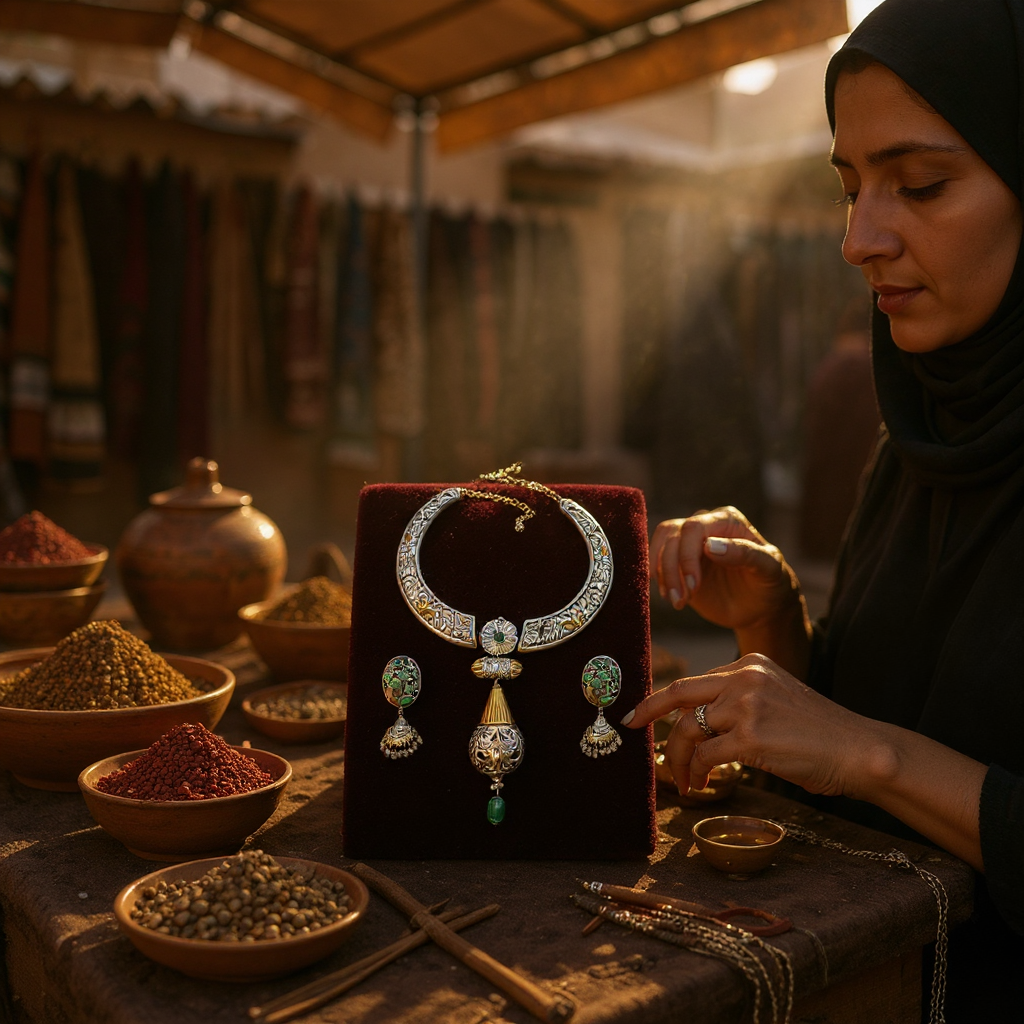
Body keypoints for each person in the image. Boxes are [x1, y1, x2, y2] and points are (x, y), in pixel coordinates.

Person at [624, 2, 1024, 1019]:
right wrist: (772, 620)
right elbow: (837, 767)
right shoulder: (916, 446)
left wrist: (870, 753)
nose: (859, 240)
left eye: (919, 185)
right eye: (848, 191)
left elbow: (866, 753)